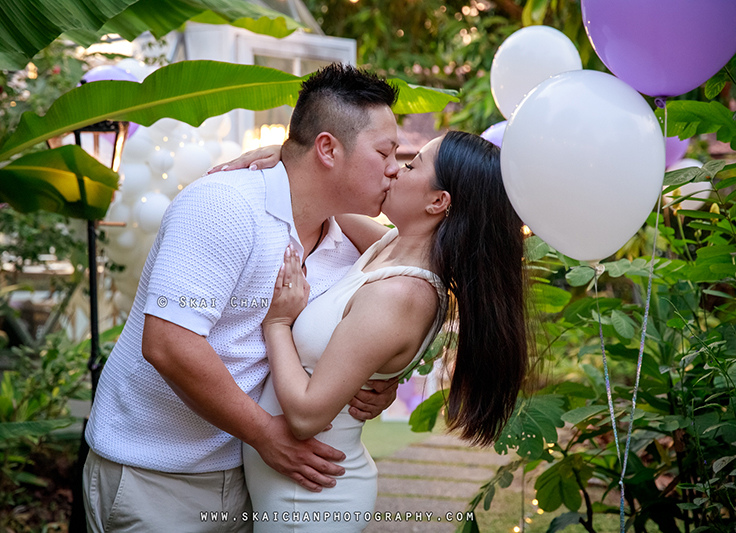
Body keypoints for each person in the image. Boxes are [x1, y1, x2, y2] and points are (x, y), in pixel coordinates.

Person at [82, 63, 404, 533]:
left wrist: (378, 381)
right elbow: (169, 344)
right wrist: (264, 433)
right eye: (385, 152)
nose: (395, 169)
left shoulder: (350, 244)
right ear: (329, 148)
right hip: (158, 477)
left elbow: (411, 290)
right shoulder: (224, 207)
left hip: (258, 482)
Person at [217, 131, 530, 531]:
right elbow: (330, 194)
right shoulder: (390, 246)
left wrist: (277, 322)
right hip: (294, 488)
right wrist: (291, 156)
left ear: (438, 201)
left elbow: (305, 416)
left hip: (311, 500)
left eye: (413, 165)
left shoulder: (400, 294)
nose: (396, 170)